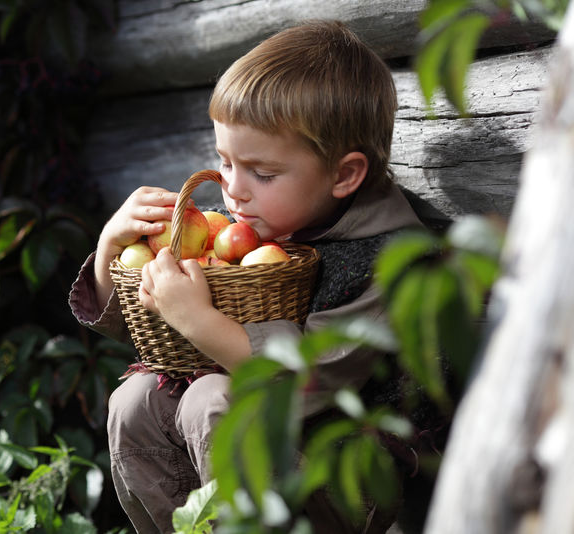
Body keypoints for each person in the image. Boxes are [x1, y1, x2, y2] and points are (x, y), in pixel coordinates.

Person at [68, 19, 423, 533]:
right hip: (270, 461)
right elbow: (152, 330)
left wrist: (196, 317)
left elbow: (310, 382)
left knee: (213, 398)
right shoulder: (261, 229)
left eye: (263, 173)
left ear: (345, 175)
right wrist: (111, 248)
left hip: (348, 477)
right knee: (134, 401)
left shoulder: (386, 260)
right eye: (224, 162)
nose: (234, 191)